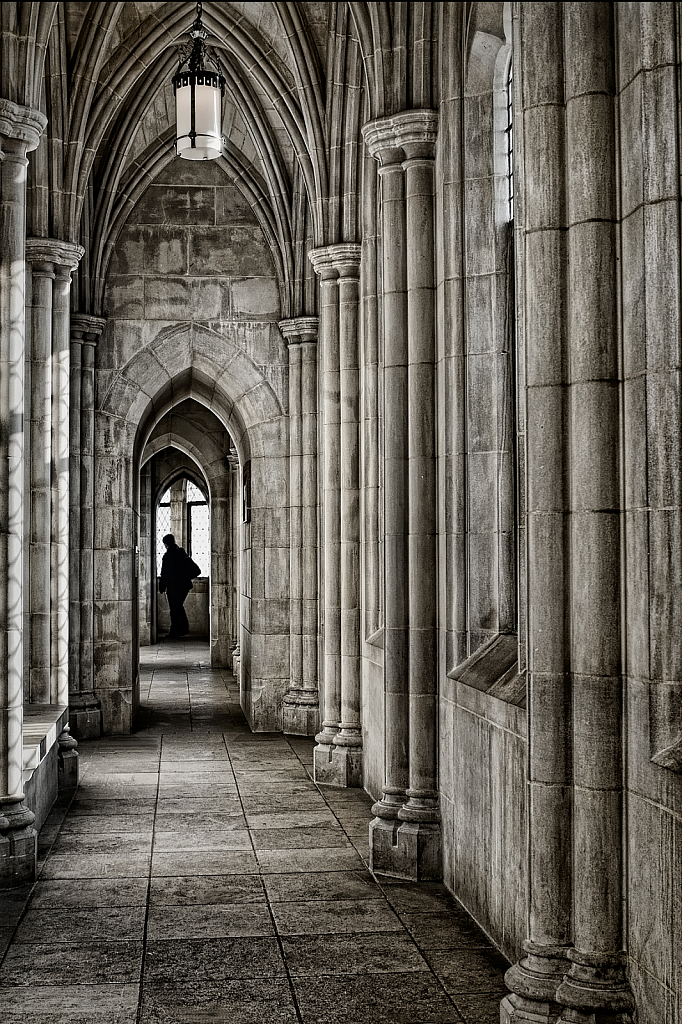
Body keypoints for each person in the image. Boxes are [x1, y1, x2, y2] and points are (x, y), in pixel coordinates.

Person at [159, 533, 200, 639]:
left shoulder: (168, 556)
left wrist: (162, 586)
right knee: (178, 606)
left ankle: (176, 631)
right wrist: (185, 578)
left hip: (173, 587)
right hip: (183, 586)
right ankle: (182, 629)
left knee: (174, 608)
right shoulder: (182, 554)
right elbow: (196, 570)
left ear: (166, 544)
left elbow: (164, 573)